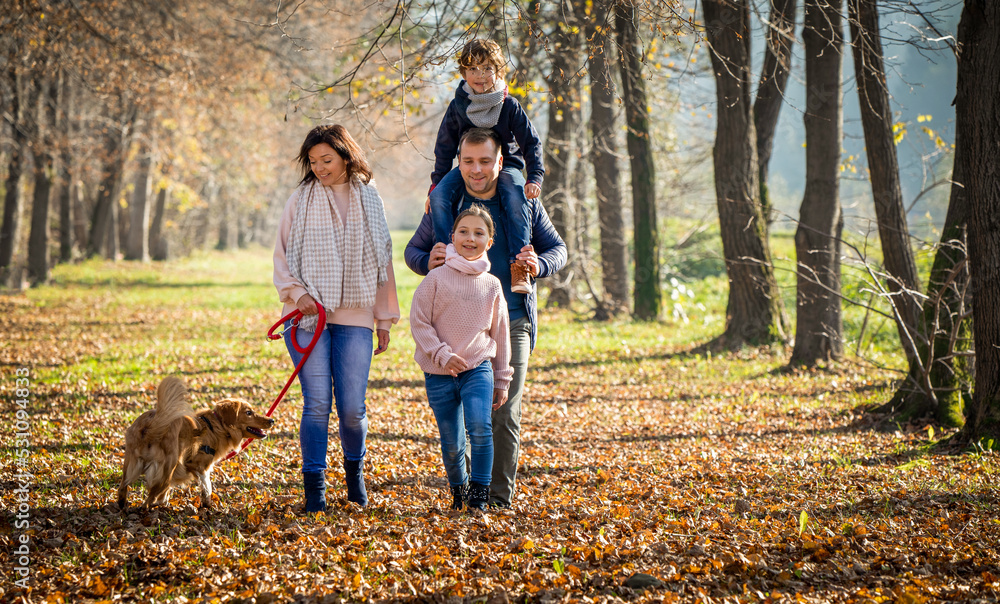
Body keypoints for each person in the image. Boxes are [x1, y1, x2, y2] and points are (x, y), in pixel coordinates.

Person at [405, 127, 567, 508]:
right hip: (455, 329)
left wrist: (539, 264)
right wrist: (425, 260)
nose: (476, 170)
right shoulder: (446, 202)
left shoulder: (523, 203)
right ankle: (463, 491)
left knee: (504, 410)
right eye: (468, 161)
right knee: (459, 418)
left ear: (500, 162)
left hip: (512, 319)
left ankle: (495, 499)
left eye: (484, 161)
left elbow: (557, 248)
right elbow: (414, 250)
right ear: (458, 162)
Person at [273, 124, 399, 512]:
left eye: (326, 159)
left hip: (357, 314)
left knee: (351, 407)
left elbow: (383, 262)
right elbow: (281, 256)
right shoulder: (301, 198)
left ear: (346, 156)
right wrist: (299, 294)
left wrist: (383, 319)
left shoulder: (370, 199)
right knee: (315, 404)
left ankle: (354, 475)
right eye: (313, 161)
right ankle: (315, 490)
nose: (320, 168)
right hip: (307, 316)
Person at [410, 205, 513, 511]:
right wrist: (442, 354)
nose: (471, 238)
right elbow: (419, 322)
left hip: (477, 368)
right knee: (453, 442)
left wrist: (502, 378)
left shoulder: (492, 285)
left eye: (479, 233)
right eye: (464, 232)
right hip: (438, 372)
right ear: (452, 236)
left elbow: (501, 333)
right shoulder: (435, 279)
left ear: (489, 242)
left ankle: (480, 494)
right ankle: (459, 489)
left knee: (480, 427)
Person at [427, 38, 544, 295]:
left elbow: (531, 143)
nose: (480, 75)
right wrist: (436, 183)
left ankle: (519, 265)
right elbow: (444, 148)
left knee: (515, 195)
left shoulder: (509, 105)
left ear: (498, 71)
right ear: (464, 73)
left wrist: (534, 177)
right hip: (467, 168)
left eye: (487, 68)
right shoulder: (458, 106)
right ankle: (449, 257)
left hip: (507, 166)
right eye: (472, 69)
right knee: (438, 197)